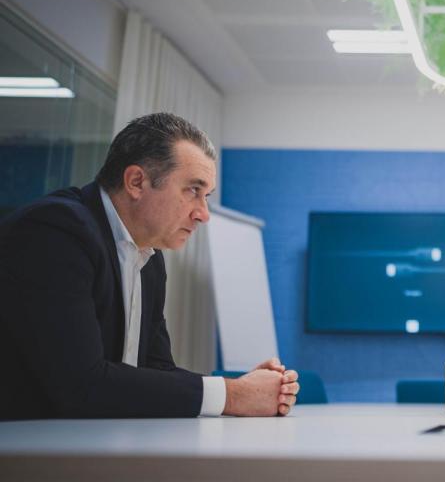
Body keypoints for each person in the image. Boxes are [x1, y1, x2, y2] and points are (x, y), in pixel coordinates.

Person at [0, 112, 300, 420]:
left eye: (206, 196)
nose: (203, 214)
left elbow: (156, 370)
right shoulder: (55, 231)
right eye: (193, 191)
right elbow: (81, 385)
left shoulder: (150, 257)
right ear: (136, 182)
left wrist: (242, 388)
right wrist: (232, 395)